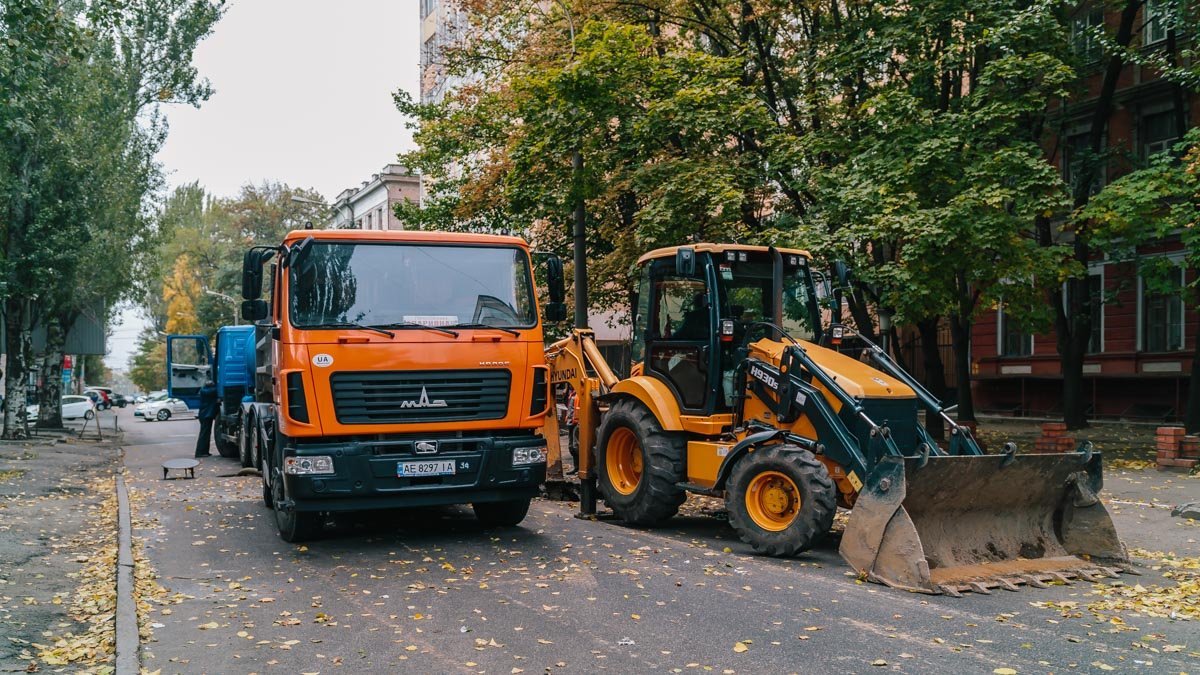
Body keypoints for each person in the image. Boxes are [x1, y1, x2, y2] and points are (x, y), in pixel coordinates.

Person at [194, 380, 218, 458]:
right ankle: (200, 452)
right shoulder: (209, 392)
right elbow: (215, 391)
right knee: (204, 434)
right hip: (206, 415)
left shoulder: (203, 390)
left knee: (205, 433)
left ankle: (204, 451)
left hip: (204, 415)